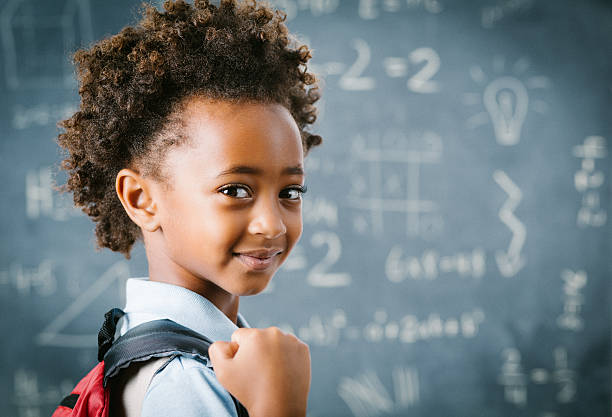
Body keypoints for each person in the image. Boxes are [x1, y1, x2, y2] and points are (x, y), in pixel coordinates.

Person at [56, 0, 322, 415]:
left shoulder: (154, 338)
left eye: (291, 192)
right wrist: (280, 406)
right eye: (235, 190)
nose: (272, 225)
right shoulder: (182, 380)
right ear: (141, 199)